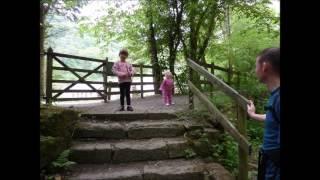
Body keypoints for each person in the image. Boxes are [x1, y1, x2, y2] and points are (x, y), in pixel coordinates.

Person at [247, 47, 280, 180]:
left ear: (265, 67)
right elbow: (274, 118)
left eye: (256, 66)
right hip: (270, 163)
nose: (255, 70)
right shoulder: (275, 96)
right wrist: (253, 115)